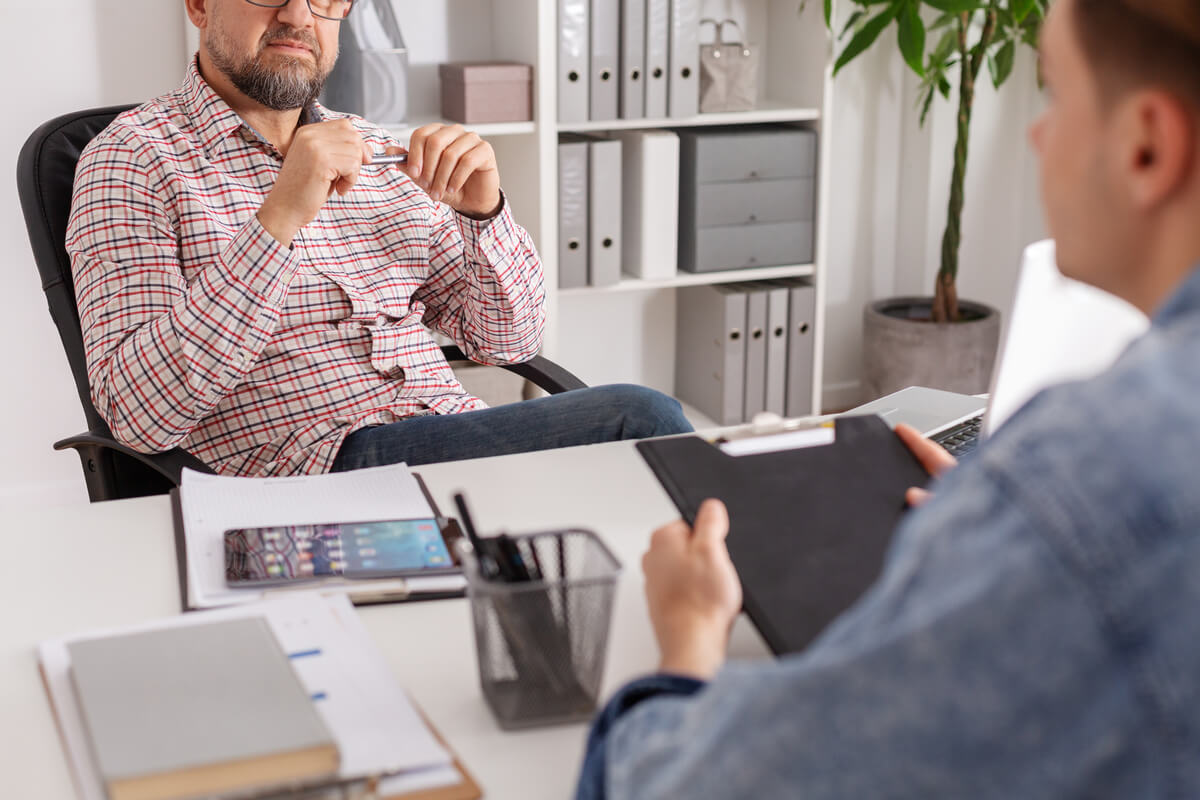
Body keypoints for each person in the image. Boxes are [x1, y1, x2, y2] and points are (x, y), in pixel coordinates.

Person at [576, 0, 1200, 796]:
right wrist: (1005, 534)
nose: (1037, 135)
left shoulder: (1088, 477)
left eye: (1053, 93)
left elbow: (685, 784)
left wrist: (689, 637)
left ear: (1147, 146)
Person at [65, 0, 691, 478]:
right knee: (640, 421)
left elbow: (510, 340)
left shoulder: (374, 147)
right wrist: (277, 221)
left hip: (444, 436)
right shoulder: (130, 160)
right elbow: (139, 416)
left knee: (646, 495)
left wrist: (485, 215)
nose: (297, 16)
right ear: (200, 5)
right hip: (308, 478)